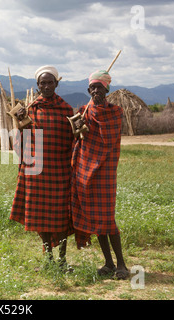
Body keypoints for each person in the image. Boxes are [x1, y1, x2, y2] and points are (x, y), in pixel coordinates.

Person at [10, 66, 74, 270]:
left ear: (57, 83)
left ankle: (62, 260)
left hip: (61, 171)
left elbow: (74, 140)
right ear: (37, 85)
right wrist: (20, 121)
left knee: (62, 217)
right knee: (42, 217)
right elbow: (23, 141)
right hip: (36, 171)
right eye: (42, 83)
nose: (46, 86)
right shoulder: (30, 110)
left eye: (50, 82)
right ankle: (48, 259)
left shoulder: (66, 110)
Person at [70, 70, 129, 279]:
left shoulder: (114, 112)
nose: (96, 91)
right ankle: (109, 263)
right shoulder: (83, 112)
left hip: (104, 171)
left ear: (107, 89)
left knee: (108, 220)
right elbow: (78, 138)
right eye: (93, 88)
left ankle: (122, 264)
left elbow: (109, 139)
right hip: (85, 171)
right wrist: (78, 125)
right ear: (88, 90)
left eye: (100, 87)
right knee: (98, 220)